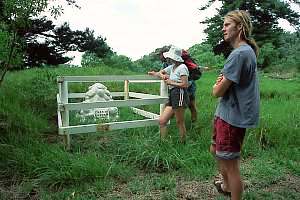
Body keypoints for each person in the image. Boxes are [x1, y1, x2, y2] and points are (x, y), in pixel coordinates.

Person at [210, 10, 260, 200]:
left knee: (231, 165)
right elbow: (228, 83)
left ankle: (232, 189)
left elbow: (217, 92)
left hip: (232, 117)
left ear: (240, 27)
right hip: (226, 113)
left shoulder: (239, 54)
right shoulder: (245, 52)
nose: (223, 28)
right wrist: (222, 82)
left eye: (227, 24)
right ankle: (225, 185)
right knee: (216, 150)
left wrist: (217, 84)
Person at [149, 46, 189, 143]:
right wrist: (160, 75)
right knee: (162, 121)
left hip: (180, 93)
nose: (169, 59)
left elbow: (185, 84)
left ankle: (183, 142)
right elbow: (160, 72)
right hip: (172, 93)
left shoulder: (182, 67)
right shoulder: (172, 67)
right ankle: (163, 142)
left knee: (180, 121)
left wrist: (171, 82)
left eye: (170, 57)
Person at [159, 47, 198, 123]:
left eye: (160, 55)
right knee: (172, 106)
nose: (160, 57)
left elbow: (186, 81)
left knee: (191, 106)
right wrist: (162, 75)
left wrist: (171, 81)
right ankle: (170, 121)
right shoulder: (166, 64)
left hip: (188, 87)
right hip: (175, 89)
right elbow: (163, 72)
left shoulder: (182, 65)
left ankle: (194, 123)